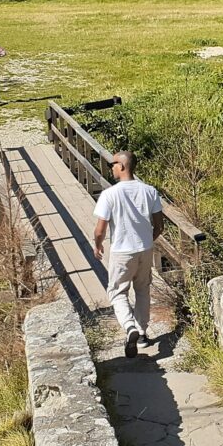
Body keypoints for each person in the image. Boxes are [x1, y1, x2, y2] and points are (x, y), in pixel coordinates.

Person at [92, 151, 164, 357]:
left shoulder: (110, 194)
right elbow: (159, 225)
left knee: (117, 292)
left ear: (122, 166)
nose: (111, 168)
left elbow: (100, 229)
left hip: (122, 250)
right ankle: (141, 334)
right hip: (145, 248)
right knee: (142, 289)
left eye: (112, 164)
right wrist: (147, 240)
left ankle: (129, 326)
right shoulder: (150, 191)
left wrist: (97, 245)